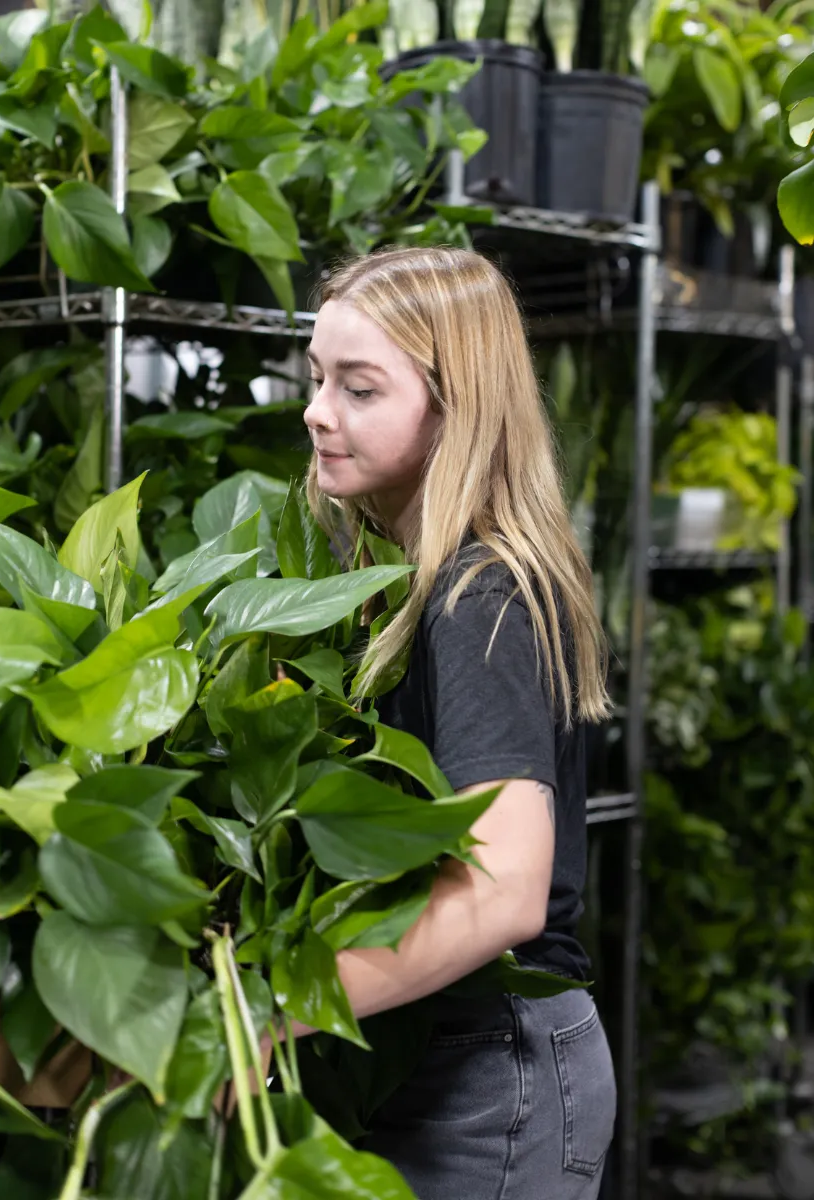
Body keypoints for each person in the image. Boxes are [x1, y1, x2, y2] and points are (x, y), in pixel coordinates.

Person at [299, 244, 616, 1197]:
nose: (317, 412)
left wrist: (271, 1011)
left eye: (360, 389)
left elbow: (504, 891)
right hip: (451, 1056)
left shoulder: (479, 592)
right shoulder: (416, 579)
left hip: (494, 1072)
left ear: (456, 412)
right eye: (317, 378)